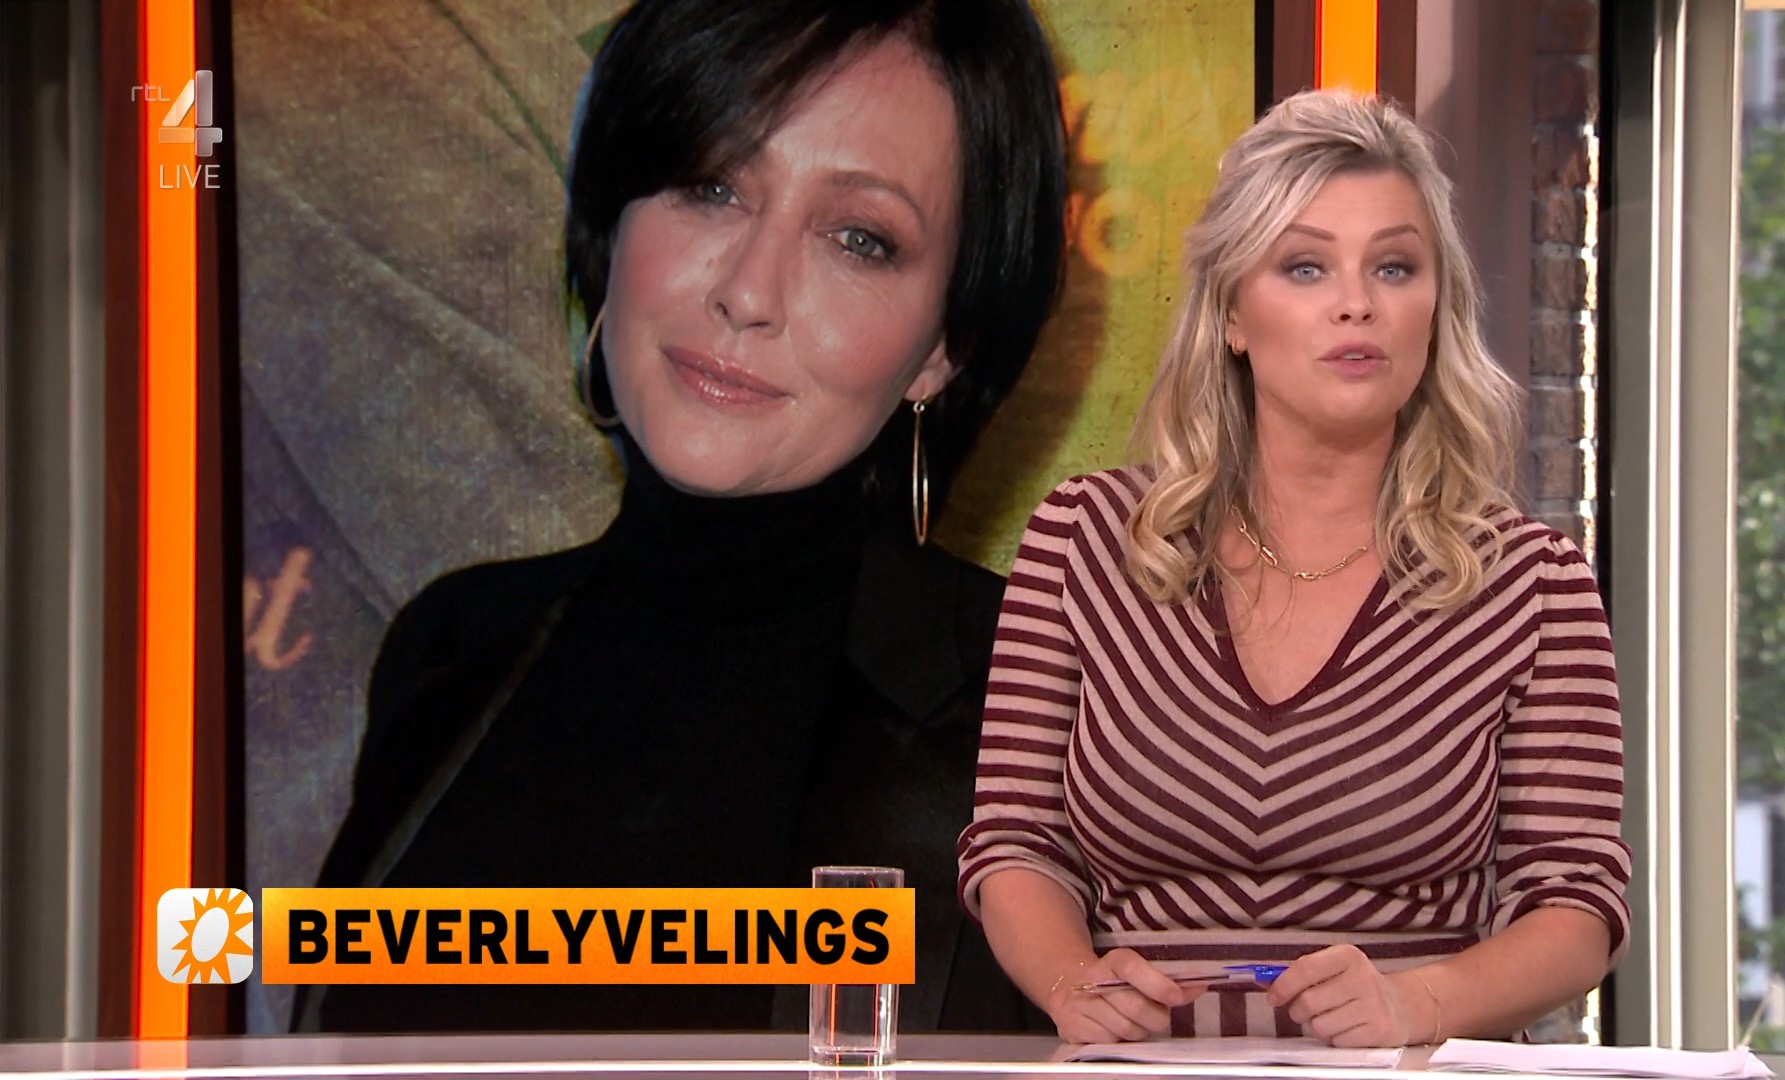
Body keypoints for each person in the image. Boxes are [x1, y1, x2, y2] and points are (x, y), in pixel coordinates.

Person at [298, 0, 1066, 1034]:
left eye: (859, 238)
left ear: (943, 348)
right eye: (711, 185)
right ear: (615, 219)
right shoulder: (452, 652)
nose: (748, 291)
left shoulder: (1054, 710)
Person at [957, 90, 1629, 1045]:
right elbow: (1016, 845)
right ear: (1233, 312)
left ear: (1436, 310)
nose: (1357, 302)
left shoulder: (1531, 586)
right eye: (1306, 267)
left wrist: (1413, 1005)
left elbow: (1577, 905)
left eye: (1394, 267)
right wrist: (1074, 985)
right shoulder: (1084, 541)